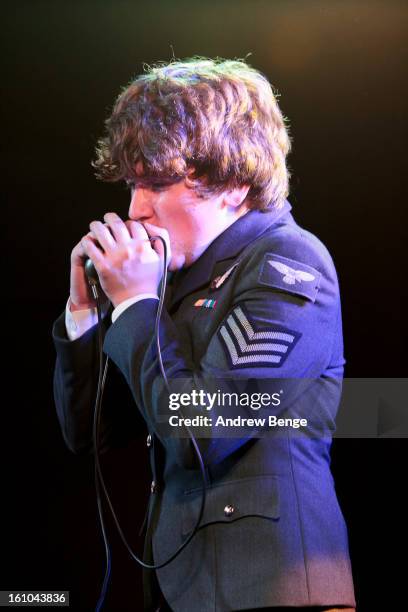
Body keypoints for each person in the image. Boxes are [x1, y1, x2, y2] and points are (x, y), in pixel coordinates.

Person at [52, 58, 356, 612]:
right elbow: (88, 435)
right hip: (184, 589)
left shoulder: (287, 260)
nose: (136, 209)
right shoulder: (173, 282)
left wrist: (138, 304)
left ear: (235, 184)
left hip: (270, 590)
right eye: (133, 185)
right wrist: (87, 312)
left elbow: (204, 429)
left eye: (158, 184)